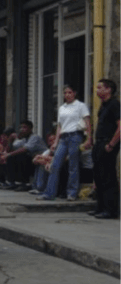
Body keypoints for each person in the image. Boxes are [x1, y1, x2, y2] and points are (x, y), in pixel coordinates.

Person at [38, 85, 92, 201]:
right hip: (64, 137)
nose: (67, 95)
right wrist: (55, 142)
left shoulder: (80, 106)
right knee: (55, 164)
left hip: (75, 136)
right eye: (65, 93)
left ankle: (71, 193)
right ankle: (49, 193)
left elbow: (87, 122)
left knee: (73, 165)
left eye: (70, 92)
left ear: (74, 93)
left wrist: (89, 138)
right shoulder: (62, 108)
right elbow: (59, 126)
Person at [90, 78, 120, 219]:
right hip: (99, 143)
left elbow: (120, 126)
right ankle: (100, 207)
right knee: (98, 175)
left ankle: (110, 209)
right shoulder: (103, 105)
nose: (97, 90)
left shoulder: (114, 104)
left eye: (100, 87)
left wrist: (111, 144)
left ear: (108, 89)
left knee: (108, 176)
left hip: (107, 144)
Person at [2, 120, 48, 192]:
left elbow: (25, 149)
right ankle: (11, 182)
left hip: (41, 161)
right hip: (32, 161)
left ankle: (25, 184)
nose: (22, 129)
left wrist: (8, 154)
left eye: (24, 127)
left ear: (30, 129)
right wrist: (10, 140)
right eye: (21, 127)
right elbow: (12, 148)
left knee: (21, 156)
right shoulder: (24, 139)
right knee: (12, 157)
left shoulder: (34, 137)